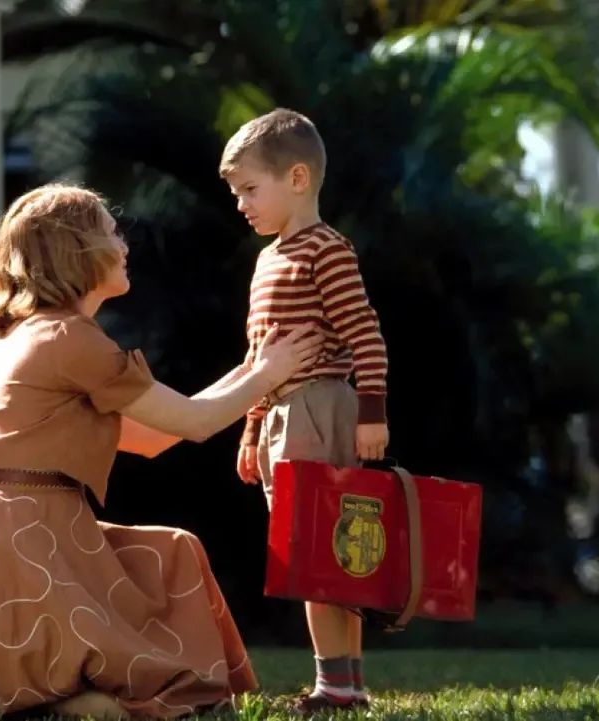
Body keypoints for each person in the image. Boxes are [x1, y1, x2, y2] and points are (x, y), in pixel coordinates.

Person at [0, 183, 324, 720]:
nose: (124, 245)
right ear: (75, 251)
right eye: (110, 231)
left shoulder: (34, 337)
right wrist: (272, 371)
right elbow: (195, 424)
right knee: (134, 648)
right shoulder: (68, 340)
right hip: (15, 545)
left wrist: (253, 371)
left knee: (171, 551)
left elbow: (153, 438)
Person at [219, 108, 390, 715]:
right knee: (320, 556)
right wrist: (251, 428)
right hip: (283, 416)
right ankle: (346, 686)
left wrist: (372, 411)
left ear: (296, 178)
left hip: (323, 409)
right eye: (236, 192)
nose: (241, 204)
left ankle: (336, 686)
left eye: (249, 189)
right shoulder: (268, 259)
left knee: (328, 555)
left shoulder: (326, 249)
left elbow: (365, 334)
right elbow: (257, 357)